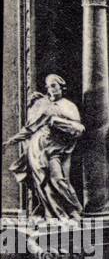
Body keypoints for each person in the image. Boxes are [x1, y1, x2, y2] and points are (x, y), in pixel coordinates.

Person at [5, 74, 85, 219]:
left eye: (54, 85)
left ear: (62, 86)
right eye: (48, 86)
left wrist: (57, 122)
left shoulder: (69, 105)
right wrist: (11, 141)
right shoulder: (42, 104)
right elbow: (30, 128)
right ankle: (56, 215)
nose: (51, 89)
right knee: (44, 182)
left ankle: (74, 210)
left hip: (59, 148)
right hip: (39, 148)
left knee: (59, 180)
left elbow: (78, 129)